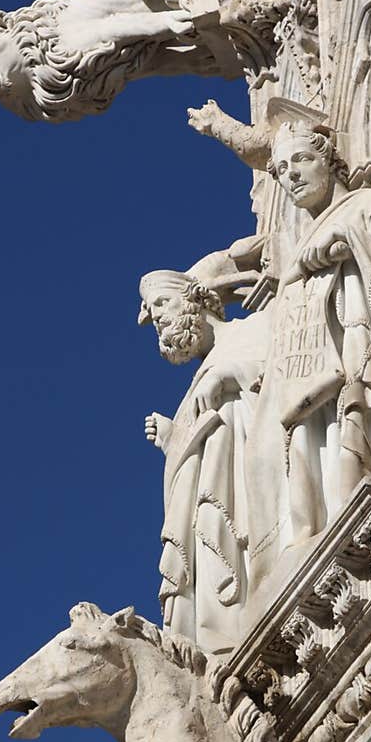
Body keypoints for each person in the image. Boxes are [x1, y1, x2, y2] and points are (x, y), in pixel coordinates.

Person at [245, 113, 371, 597]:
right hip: (304, 381)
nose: (292, 176)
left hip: (355, 361)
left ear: (330, 159)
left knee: (353, 432)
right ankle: (313, 531)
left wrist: (350, 245)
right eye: (282, 170)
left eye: (302, 160)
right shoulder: (296, 246)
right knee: (302, 453)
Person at [140, 241, 267, 653]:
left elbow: (282, 372)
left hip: (247, 496)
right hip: (211, 504)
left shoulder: (251, 331)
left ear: (196, 299)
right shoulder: (196, 382)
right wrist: (174, 439)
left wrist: (231, 374)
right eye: (154, 312)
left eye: (162, 304)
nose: (157, 318)